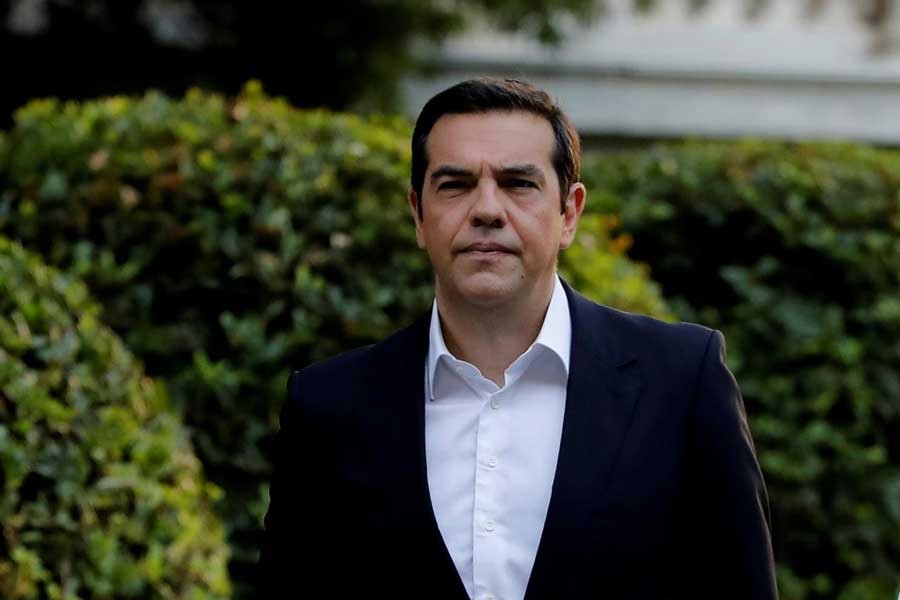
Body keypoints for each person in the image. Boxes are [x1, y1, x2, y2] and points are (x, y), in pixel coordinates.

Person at [258, 78, 778, 599]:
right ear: (418, 214)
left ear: (569, 213)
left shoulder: (682, 379)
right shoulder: (328, 405)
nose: (487, 209)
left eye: (518, 183)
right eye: (455, 184)